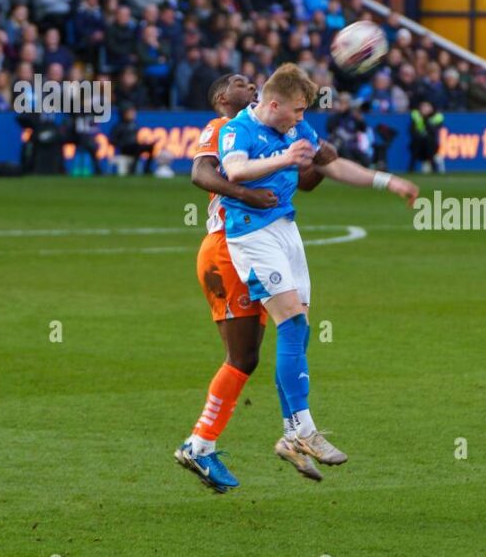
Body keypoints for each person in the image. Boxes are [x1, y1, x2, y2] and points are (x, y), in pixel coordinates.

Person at [190, 64, 418, 491]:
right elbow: (221, 172)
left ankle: (250, 439)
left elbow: (319, 172)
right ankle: (294, 430)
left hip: (283, 231)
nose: (249, 84)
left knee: (277, 340)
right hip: (241, 238)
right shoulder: (229, 128)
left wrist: (385, 181)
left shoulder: (291, 128)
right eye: (296, 110)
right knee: (278, 332)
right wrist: (270, 174)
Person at [175, 73, 328, 491]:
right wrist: (246, 195)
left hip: (251, 243)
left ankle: (211, 443)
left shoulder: (266, 131)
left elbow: (308, 181)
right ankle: (206, 443)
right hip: (228, 246)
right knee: (249, 352)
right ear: (224, 96)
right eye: (241, 82)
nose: (251, 84)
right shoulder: (222, 127)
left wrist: (320, 157)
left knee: (251, 354)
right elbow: (201, 174)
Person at [409, 98, 444, 173]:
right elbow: (412, 130)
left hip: (431, 143)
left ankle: (434, 168)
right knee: (417, 142)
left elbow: (433, 131)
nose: (425, 109)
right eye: (423, 107)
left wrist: (426, 119)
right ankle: (411, 168)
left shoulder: (437, 116)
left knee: (429, 142)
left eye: (427, 106)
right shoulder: (416, 115)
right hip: (418, 142)